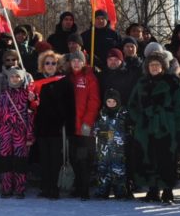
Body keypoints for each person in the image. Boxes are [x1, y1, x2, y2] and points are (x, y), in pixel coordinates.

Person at [128, 50, 180, 203]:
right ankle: (153, 189)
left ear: (163, 66)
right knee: (148, 158)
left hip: (166, 127)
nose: (154, 67)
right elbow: (132, 104)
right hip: (146, 127)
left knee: (166, 158)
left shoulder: (172, 82)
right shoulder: (141, 83)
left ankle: (167, 190)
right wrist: (139, 119)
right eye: (151, 65)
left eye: (157, 65)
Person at [32, 51, 72, 199]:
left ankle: (54, 187)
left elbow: (69, 104)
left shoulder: (64, 81)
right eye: (47, 63)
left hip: (57, 125)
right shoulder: (37, 81)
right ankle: (45, 187)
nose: (50, 66)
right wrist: (31, 98)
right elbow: (32, 105)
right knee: (44, 157)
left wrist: (66, 123)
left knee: (55, 158)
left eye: (53, 63)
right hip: (41, 124)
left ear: (58, 65)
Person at [0, 67, 35, 199]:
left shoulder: (27, 95)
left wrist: (30, 136)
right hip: (5, 132)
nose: (14, 79)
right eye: (12, 76)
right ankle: (6, 188)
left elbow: (30, 117)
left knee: (20, 162)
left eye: (17, 77)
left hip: (21, 132)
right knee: (5, 161)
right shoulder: (4, 95)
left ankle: (20, 189)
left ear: (22, 79)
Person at [65, 51, 100, 200]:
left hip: (85, 127)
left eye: (79, 61)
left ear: (84, 62)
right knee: (74, 157)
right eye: (73, 61)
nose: (76, 63)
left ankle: (84, 188)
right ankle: (78, 186)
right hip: (71, 125)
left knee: (84, 158)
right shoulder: (67, 77)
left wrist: (87, 123)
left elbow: (94, 102)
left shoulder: (89, 77)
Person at [94, 89, 131, 200]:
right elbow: (96, 128)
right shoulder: (102, 113)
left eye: (114, 101)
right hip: (104, 148)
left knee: (118, 169)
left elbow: (129, 129)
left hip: (119, 149)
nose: (111, 104)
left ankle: (120, 192)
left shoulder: (123, 113)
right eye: (109, 101)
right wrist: (101, 133)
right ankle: (102, 191)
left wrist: (125, 136)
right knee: (103, 169)